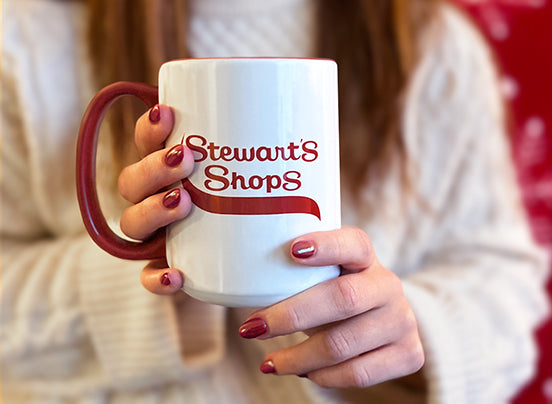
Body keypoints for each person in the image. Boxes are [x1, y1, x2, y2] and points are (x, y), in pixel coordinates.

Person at [2, 0, 549, 403]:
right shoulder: (25, 37)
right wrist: (164, 281)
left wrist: (411, 337)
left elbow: (502, 274)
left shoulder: (431, 46)